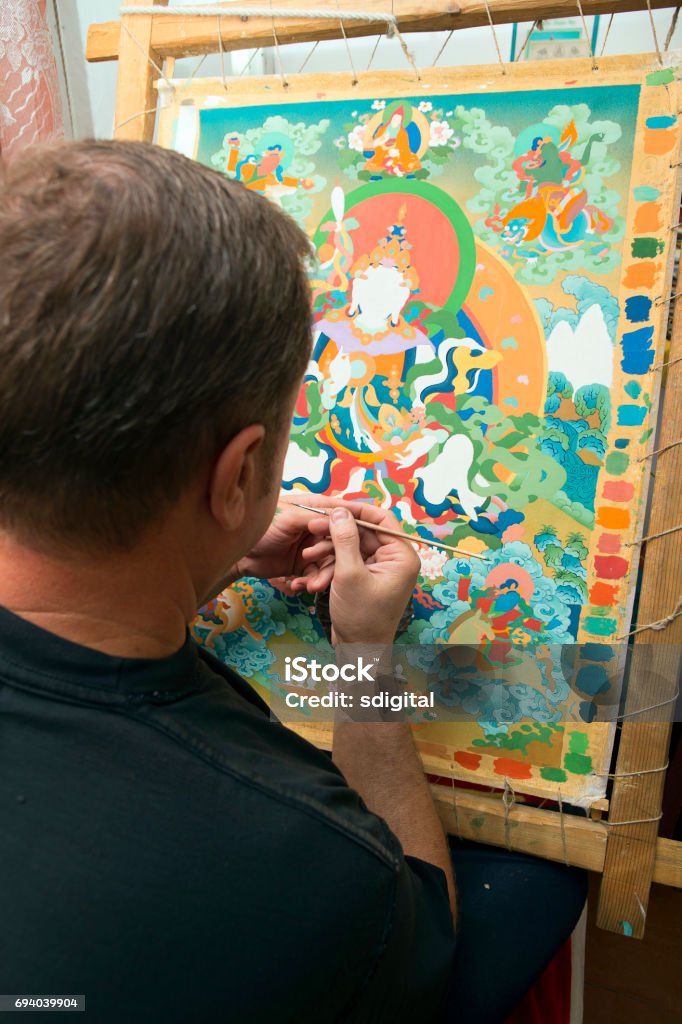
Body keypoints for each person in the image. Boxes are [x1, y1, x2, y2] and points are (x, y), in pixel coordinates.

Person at [0, 141, 585, 1024]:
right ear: (238, 473)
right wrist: (359, 663)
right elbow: (419, 937)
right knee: (539, 883)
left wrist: (215, 554)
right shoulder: (303, 858)